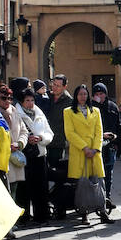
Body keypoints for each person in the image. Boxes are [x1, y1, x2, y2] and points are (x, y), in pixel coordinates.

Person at [64, 84, 110, 222]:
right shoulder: (68, 112)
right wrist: (84, 148)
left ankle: (102, 210)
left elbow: (99, 131)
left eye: (85, 94)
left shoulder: (95, 111)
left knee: (99, 182)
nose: (83, 97)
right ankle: (83, 213)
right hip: (80, 151)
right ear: (76, 96)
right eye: (80, 94)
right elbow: (70, 133)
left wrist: (95, 148)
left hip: (94, 152)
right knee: (82, 184)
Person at [9, 88, 53, 226]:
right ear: (21, 102)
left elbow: (49, 132)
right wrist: (28, 139)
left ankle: (41, 215)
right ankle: (24, 216)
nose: (30, 103)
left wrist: (41, 138)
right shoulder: (16, 113)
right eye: (27, 100)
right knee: (24, 188)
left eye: (32, 100)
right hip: (25, 155)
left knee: (41, 187)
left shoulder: (39, 113)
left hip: (40, 154)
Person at [91, 83, 121, 211]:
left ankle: (107, 197)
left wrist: (116, 139)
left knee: (109, 173)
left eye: (101, 93)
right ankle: (96, 198)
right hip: (96, 145)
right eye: (97, 94)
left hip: (110, 145)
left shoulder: (112, 106)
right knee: (96, 174)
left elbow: (119, 126)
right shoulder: (91, 108)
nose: (99, 96)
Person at [46, 75, 72, 218]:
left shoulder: (69, 102)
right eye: (53, 84)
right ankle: (47, 204)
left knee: (60, 178)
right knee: (45, 175)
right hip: (45, 144)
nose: (54, 87)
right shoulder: (47, 98)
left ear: (64, 87)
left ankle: (60, 208)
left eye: (57, 85)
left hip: (60, 145)